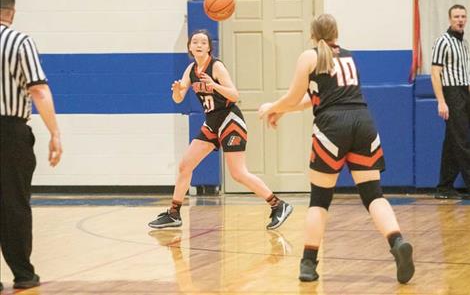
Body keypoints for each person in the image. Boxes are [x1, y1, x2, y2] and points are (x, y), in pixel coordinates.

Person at [258, 14, 415, 284]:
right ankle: (397, 242)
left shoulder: (309, 56)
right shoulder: (349, 56)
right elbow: (312, 99)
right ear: (336, 33)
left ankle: (308, 263)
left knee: (319, 200)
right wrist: (282, 112)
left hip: (333, 126)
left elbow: (296, 96)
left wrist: (272, 107)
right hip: (363, 122)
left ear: (311, 33)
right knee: (373, 195)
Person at [148, 29, 293, 230]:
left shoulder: (216, 67)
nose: (199, 45)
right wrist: (176, 91)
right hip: (211, 123)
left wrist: (214, 86)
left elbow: (234, 95)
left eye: (203, 42)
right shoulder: (190, 69)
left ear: (209, 47)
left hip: (229, 120)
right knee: (185, 165)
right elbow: (179, 98)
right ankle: (174, 213)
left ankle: (278, 205)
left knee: (238, 173)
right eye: (195, 42)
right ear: (189, 46)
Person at [0, 0, 62, 290]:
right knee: (14, 203)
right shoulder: (19, 41)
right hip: (9, 130)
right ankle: (23, 274)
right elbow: (38, 90)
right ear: (11, 12)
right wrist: (54, 133)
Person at [431, 4, 470, 200]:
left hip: (465, 93)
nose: (460, 19)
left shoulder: (464, 44)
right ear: (450, 19)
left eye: (463, 16)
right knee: (463, 141)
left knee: (453, 142)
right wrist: (441, 101)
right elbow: (435, 73)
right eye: (456, 16)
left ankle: (444, 187)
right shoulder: (443, 42)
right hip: (452, 93)